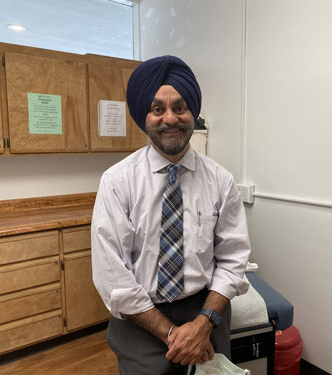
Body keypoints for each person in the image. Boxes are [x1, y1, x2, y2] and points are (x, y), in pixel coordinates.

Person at [91, 55, 251, 375]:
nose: (169, 119)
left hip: (207, 313)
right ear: (144, 116)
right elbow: (114, 278)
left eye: (180, 108)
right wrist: (173, 334)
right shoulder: (117, 182)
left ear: (193, 112)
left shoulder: (220, 181)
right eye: (157, 109)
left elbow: (233, 260)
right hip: (139, 320)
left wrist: (203, 324)